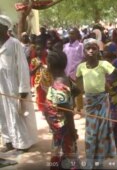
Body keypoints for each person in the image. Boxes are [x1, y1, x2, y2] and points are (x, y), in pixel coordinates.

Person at [76, 38, 117, 169]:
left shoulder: (104, 64)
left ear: (98, 50)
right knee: (90, 133)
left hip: (103, 100)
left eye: (94, 48)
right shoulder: (81, 67)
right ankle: (89, 161)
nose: (91, 50)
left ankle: (99, 163)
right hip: (89, 101)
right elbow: (78, 86)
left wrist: (111, 87)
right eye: (88, 48)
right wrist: (78, 105)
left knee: (102, 132)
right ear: (84, 51)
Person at [0, 15, 37, 152]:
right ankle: (8, 141)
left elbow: (22, 66)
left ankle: (22, 143)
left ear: (4, 27)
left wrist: (23, 88)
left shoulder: (14, 43)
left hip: (13, 86)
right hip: (1, 86)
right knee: (2, 113)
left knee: (16, 113)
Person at [45, 51, 79, 170]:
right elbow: (76, 90)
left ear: (50, 65)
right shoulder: (65, 80)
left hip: (63, 130)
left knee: (65, 156)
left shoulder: (59, 86)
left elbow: (68, 113)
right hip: (59, 129)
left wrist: (72, 130)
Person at [63, 27, 84, 119]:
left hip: (76, 72)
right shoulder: (66, 46)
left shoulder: (80, 46)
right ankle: (72, 108)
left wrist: (77, 68)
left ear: (77, 35)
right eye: (70, 33)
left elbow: (83, 58)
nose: (71, 35)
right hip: (66, 72)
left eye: (73, 33)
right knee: (68, 91)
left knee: (78, 91)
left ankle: (79, 110)